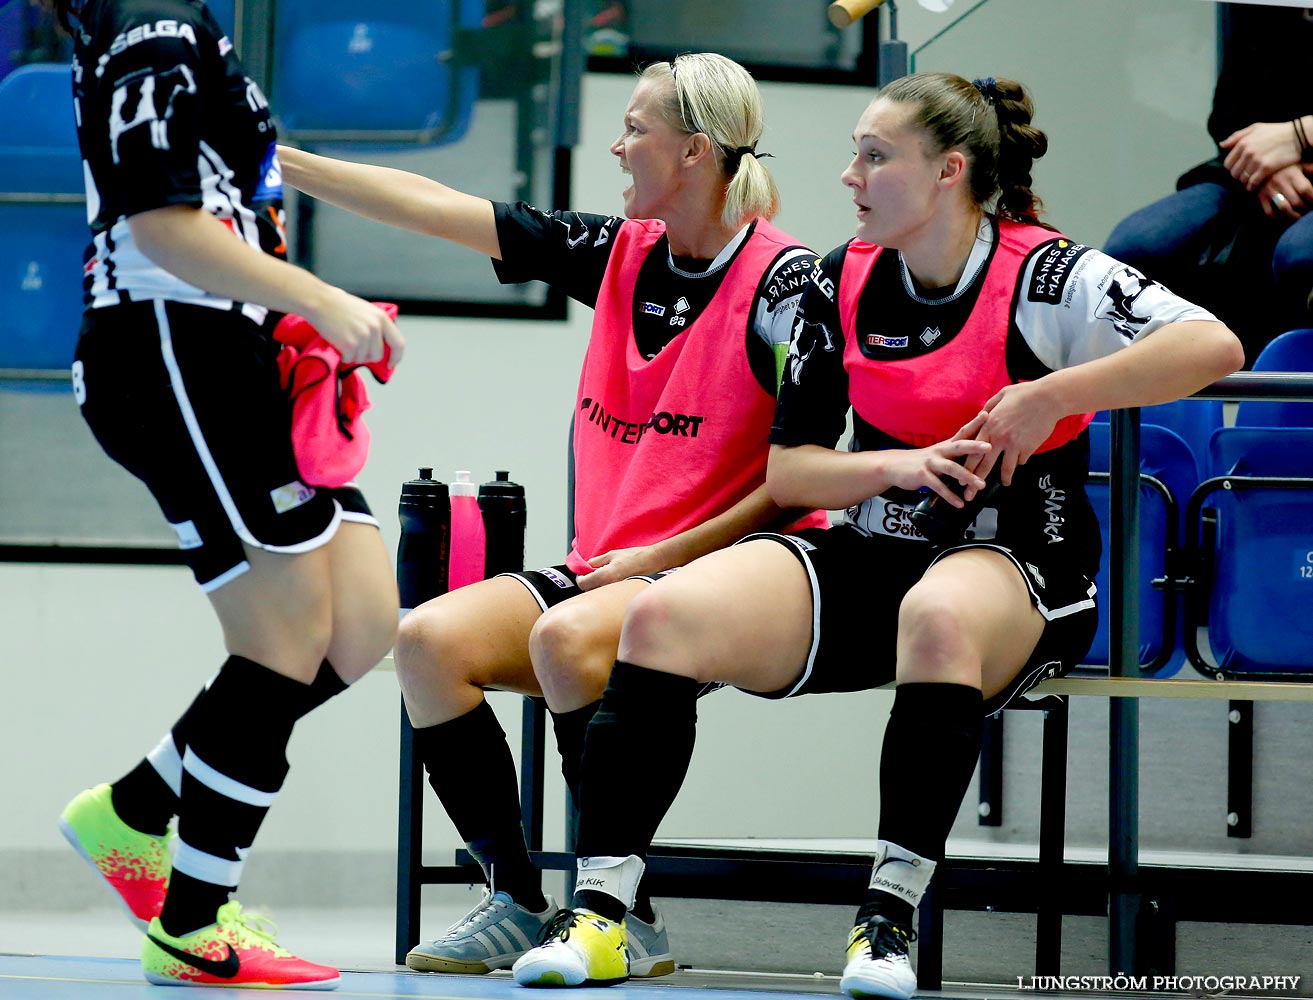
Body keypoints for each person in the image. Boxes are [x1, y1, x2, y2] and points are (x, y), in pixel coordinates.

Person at [509, 72, 1244, 993]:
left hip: (1021, 562)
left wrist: (1048, 396)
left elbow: (1213, 345)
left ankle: (885, 923)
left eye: (873, 155)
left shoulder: (1047, 274)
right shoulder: (838, 279)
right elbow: (794, 474)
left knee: (937, 613)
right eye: (854, 153)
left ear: (949, 171)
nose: (848, 174)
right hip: (877, 550)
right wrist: (897, 465)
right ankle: (604, 915)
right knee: (661, 616)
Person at [276, 52, 826, 977]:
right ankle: (517, 897)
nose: (615, 147)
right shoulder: (617, 251)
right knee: (425, 642)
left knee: (566, 642)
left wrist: (663, 551)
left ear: (693, 151)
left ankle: (619, 907)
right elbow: (433, 205)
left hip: (727, 573)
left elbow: (804, 477)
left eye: (635, 130)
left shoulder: (787, 286)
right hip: (606, 567)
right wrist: (279, 160)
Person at [50, 0, 405, 989]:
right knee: (284, 638)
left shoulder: (186, 25)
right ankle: (193, 922)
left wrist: (292, 311)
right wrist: (320, 299)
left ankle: (134, 808)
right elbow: (163, 224)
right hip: (170, 348)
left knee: (361, 622)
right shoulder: (151, 25)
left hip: (233, 349)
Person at [1103, 3, 1313, 363]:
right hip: (1258, 170)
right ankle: (1160, 406)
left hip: (1295, 149)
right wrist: (1266, 163)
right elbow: (1230, 112)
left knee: (1301, 256)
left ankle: (1279, 407)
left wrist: (1298, 137)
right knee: (1137, 249)